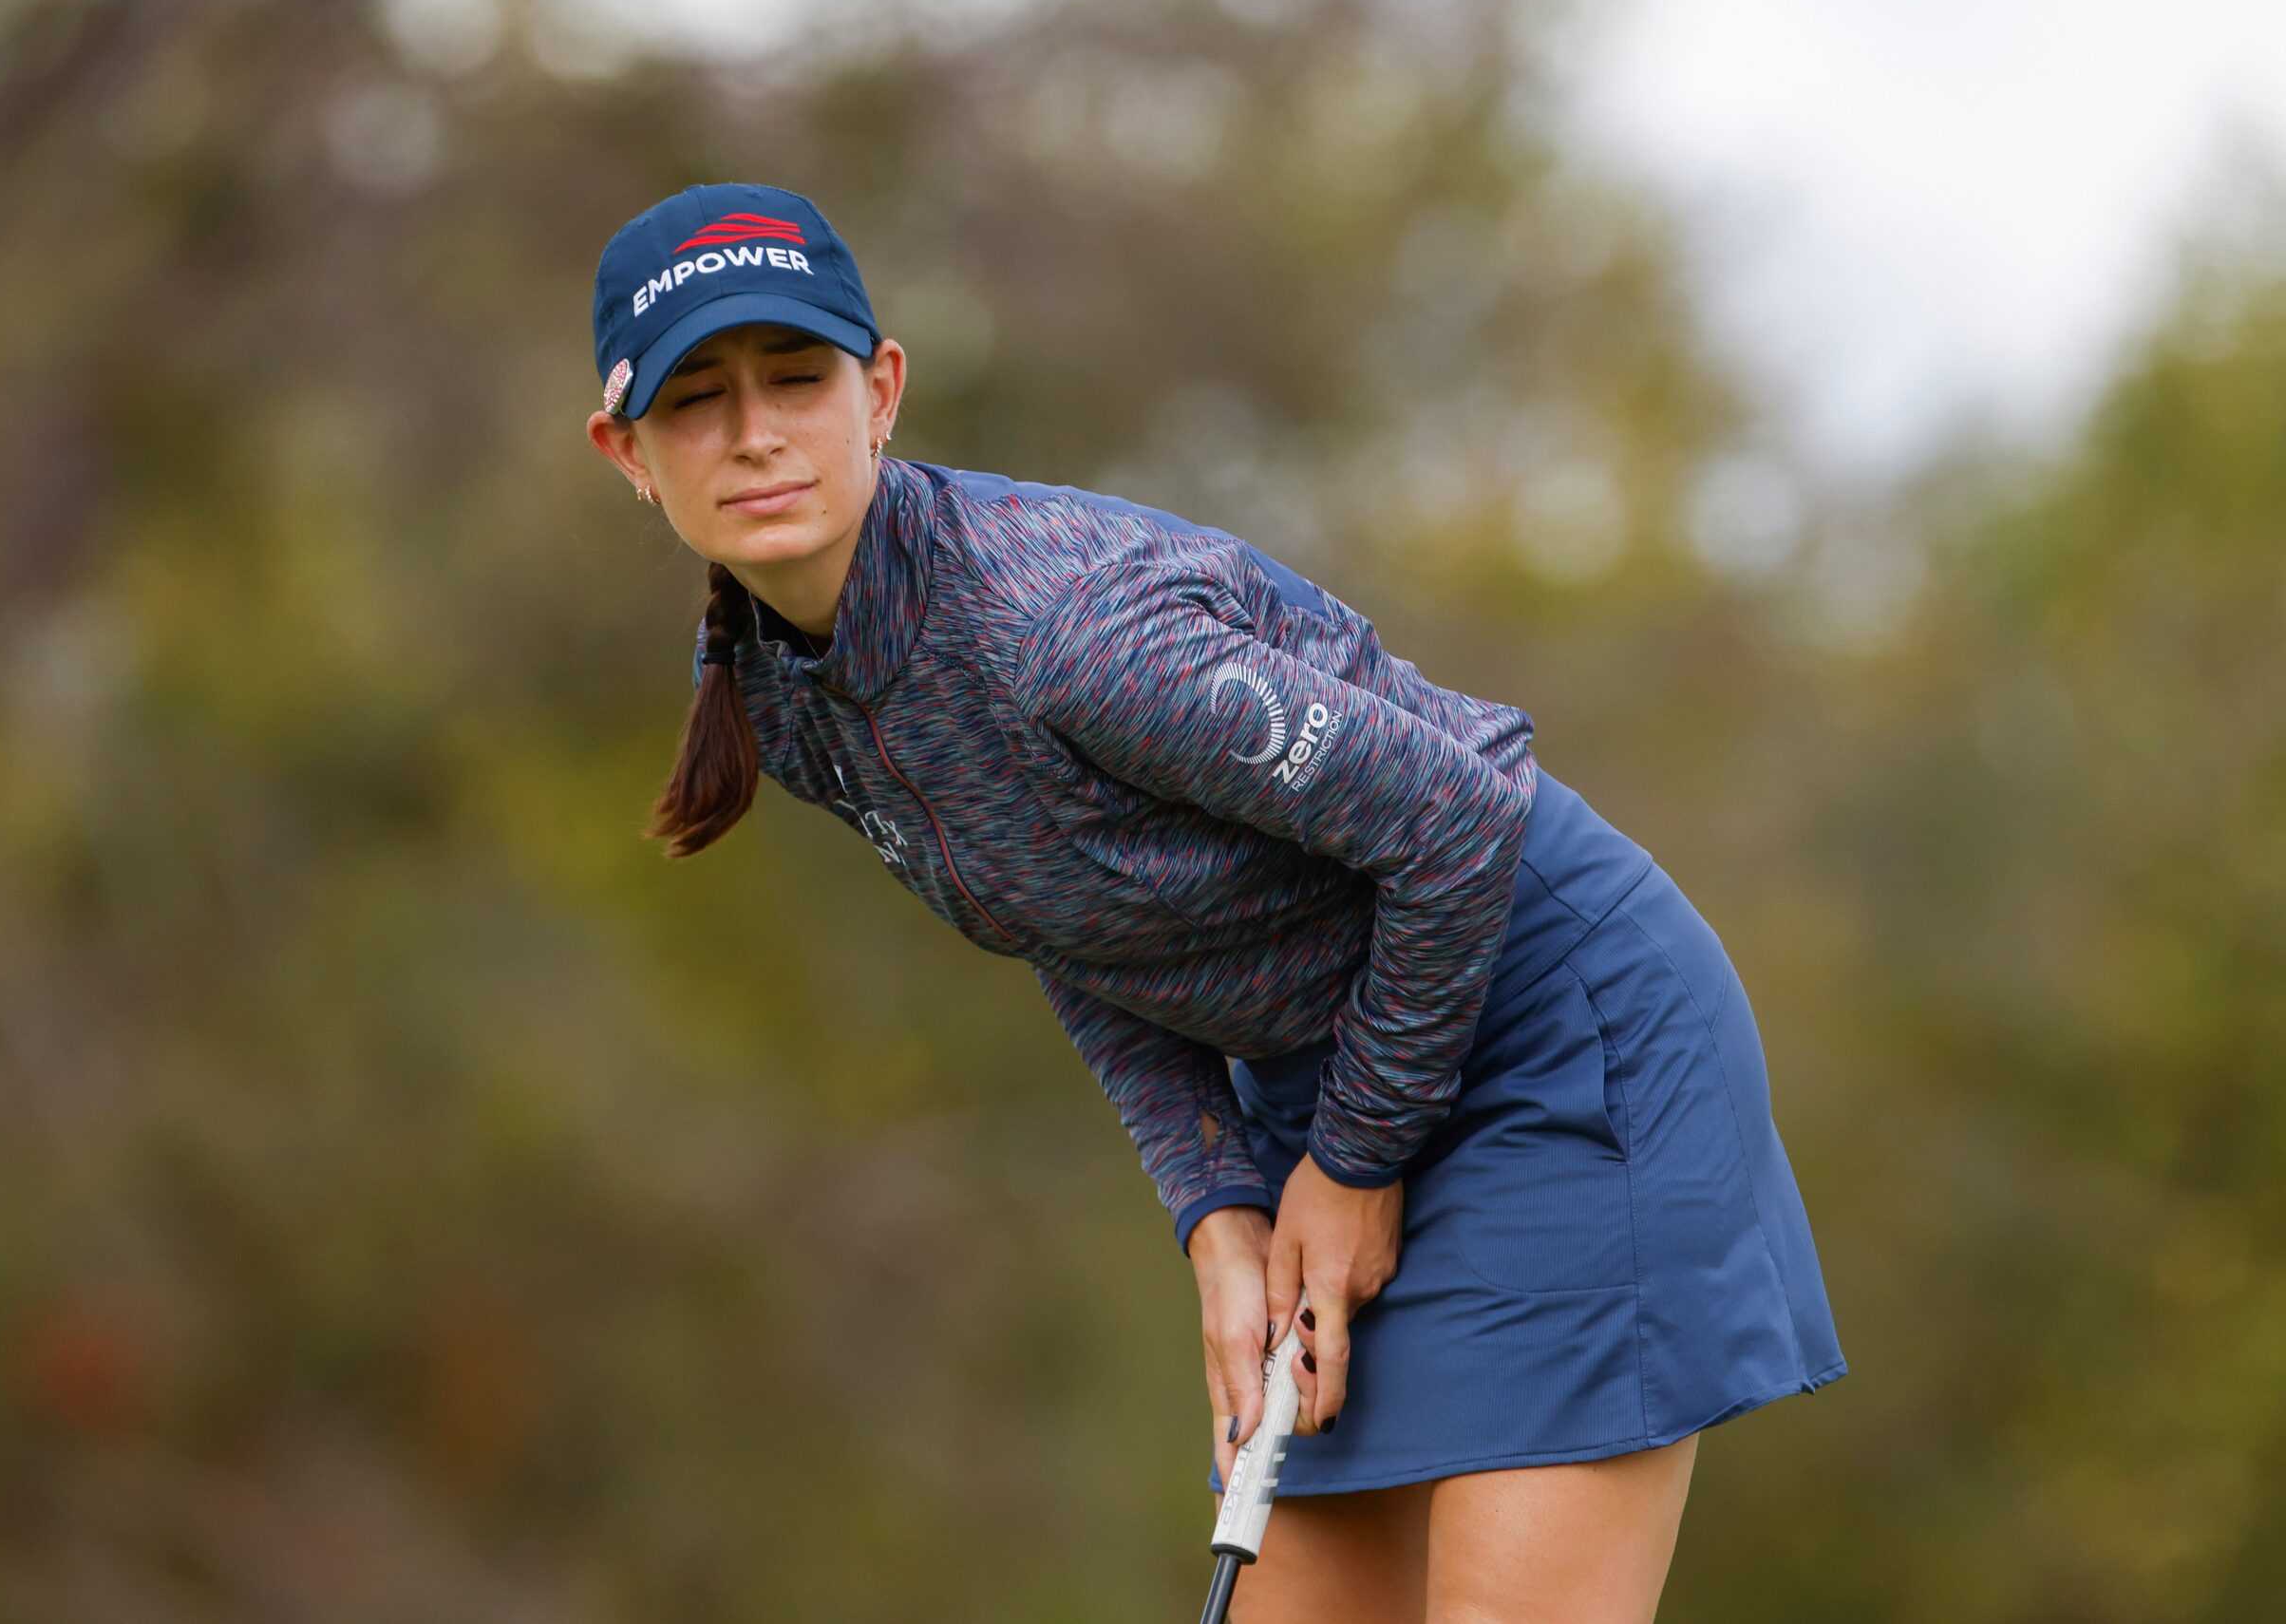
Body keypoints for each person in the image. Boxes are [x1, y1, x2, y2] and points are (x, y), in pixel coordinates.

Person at [583, 180, 1847, 1621]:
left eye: (794, 378)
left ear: (879, 391)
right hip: (1341, 1086)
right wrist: (1215, 1206)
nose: (753, 432)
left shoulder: (1060, 634)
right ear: (626, 452)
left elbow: (1455, 821)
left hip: (1556, 1041)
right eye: (696, 399)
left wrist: (1354, 1160)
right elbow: (1071, 919)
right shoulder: (789, 697)